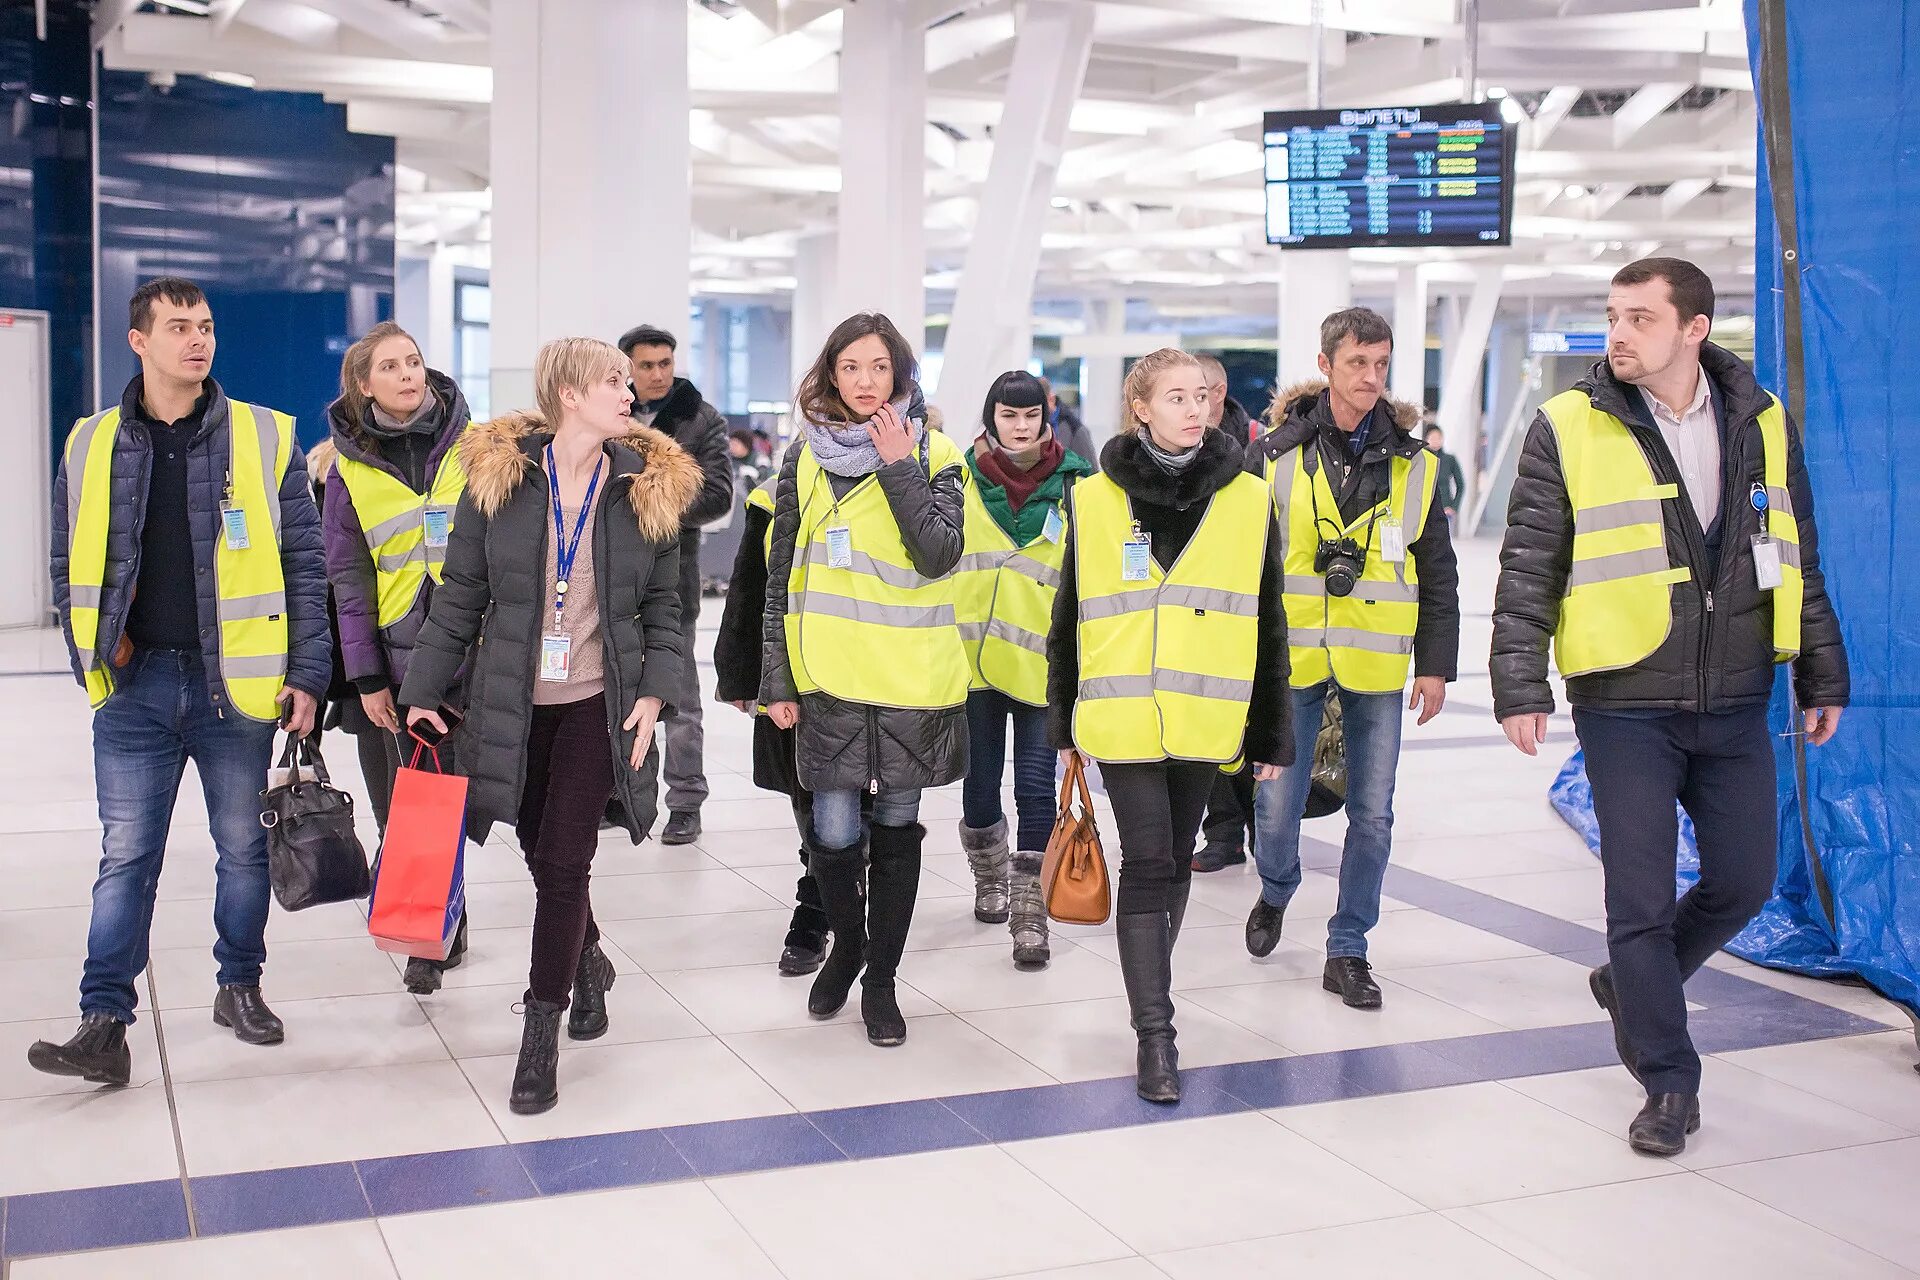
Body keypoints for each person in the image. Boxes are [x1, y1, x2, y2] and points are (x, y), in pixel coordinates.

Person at [1492, 257, 1848, 1157]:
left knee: (1745, 881)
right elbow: (1530, 560)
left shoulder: (1762, 420)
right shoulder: (1567, 425)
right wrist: (1519, 682)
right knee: (1639, 901)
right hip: (1625, 700)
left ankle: (1632, 983)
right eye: (1614, 316)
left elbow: (1794, 548)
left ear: (1694, 328)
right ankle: (1668, 1080)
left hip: (1735, 696)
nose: (1619, 334)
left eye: (1641, 318)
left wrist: (1820, 672)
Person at [31, 277, 330, 1086]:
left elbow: (306, 563)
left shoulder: (265, 437)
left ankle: (240, 987)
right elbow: (68, 564)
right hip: (135, 689)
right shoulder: (89, 441)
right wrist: (94, 653)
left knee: (243, 852)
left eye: (204, 327)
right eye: (177, 327)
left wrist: (308, 671)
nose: (197, 340)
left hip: (237, 685)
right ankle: (104, 1021)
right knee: (126, 856)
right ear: (139, 340)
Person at [399, 337, 696, 1116]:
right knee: (538, 849)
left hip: (601, 702)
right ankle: (589, 961)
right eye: (613, 382)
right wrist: (423, 688)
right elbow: (460, 592)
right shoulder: (498, 480)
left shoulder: (647, 490)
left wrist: (657, 693)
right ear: (570, 394)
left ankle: (540, 1031)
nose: (628, 395)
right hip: (512, 702)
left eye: (629, 384)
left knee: (565, 862)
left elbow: (667, 608)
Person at [1048, 348, 1291, 1102]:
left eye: (1204, 396)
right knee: (1149, 860)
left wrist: (1271, 735)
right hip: (1120, 717)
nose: (1196, 408)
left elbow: (1270, 624)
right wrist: (1062, 725)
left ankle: (1147, 981)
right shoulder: (1091, 500)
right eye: (1177, 397)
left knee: (1175, 859)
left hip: (1206, 716)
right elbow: (1066, 619)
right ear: (1141, 407)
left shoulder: (1250, 500)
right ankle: (1158, 1035)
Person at [1241, 308, 1461, 1010]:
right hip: (1292, 658)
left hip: (1377, 662)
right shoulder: (1275, 457)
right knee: (1275, 805)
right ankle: (1276, 888)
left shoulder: (1418, 463)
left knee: (1373, 814)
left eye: (1381, 365)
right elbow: (1245, 562)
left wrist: (1436, 662)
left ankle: (1349, 947)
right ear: (1328, 363)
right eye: (1358, 363)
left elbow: (1439, 570)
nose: (1371, 378)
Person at [760, 312, 968, 1048]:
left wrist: (898, 463)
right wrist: (776, 679)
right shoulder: (802, 458)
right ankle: (847, 945)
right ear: (830, 374)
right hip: (827, 679)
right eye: (850, 367)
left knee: (897, 829)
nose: (864, 381)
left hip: (911, 677)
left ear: (901, 376)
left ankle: (881, 979)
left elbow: (940, 553)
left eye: (878, 368)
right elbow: (780, 572)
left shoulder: (939, 452)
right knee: (833, 830)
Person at [322, 321, 477, 995]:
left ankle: (443, 925)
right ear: (365, 384)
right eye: (391, 366)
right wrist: (366, 678)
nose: (409, 374)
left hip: (476, 650)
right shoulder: (346, 469)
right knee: (407, 803)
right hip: (398, 656)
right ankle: (434, 930)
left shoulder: (478, 448)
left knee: (468, 800)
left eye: (414, 361)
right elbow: (347, 582)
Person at [956, 370, 1095, 968]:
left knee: (1038, 790)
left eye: (1030, 417)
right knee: (979, 789)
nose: (1019, 428)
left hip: (1046, 664)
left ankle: (1029, 909)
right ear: (991, 418)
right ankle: (989, 874)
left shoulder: (1079, 486)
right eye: (1008, 417)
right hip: (977, 666)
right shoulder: (958, 478)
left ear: (1046, 418)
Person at [617, 324, 735, 845]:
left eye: (665, 362)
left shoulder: (699, 418)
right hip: (610, 578)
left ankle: (686, 802)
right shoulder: (607, 411)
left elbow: (720, 497)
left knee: (680, 699)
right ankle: (622, 795)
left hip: (673, 579)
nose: (659, 374)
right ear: (627, 367)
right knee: (616, 693)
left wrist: (648, 499)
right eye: (647, 365)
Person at [714, 471, 832, 977]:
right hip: (794, 670)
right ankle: (820, 896)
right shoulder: (775, 490)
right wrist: (740, 672)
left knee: (866, 803)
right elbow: (750, 587)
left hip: (880, 670)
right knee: (809, 794)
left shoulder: (906, 472)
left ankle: (828, 902)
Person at [1190, 353, 1260, 872]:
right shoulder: (1179, 447)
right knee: (1209, 729)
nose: (1196, 404)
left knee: (1251, 728)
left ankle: (1264, 830)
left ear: (1220, 392)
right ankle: (1222, 835)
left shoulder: (1258, 446)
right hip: (1197, 613)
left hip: (1244, 607)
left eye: (1203, 393)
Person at [1040, 376, 1100, 472]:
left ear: (1051, 399)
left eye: (1040, 404)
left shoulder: (1075, 429)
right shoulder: (1032, 428)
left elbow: (1091, 471)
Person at [1425, 424, 1466, 522]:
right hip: (1425, 510)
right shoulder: (1421, 459)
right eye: (1432, 437)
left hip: (1444, 510)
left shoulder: (1449, 459)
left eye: (1438, 437)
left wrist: (1454, 507)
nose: (1435, 440)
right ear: (1426, 439)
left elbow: (1461, 485)